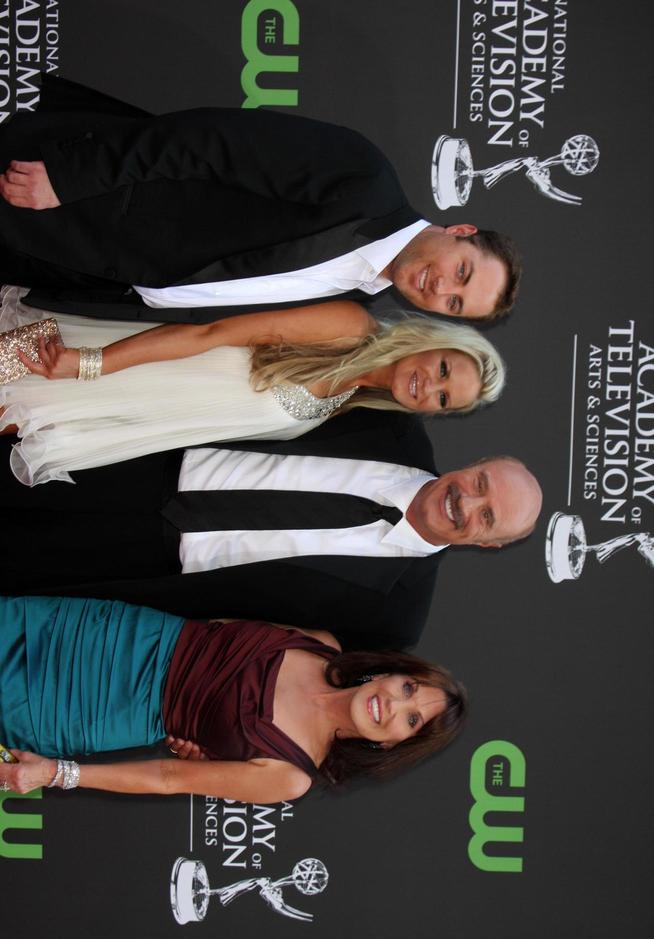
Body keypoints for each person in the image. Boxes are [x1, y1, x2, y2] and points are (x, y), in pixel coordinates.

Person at [0, 76, 522, 327]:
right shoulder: (365, 179)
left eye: (454, 304)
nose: (442, 289)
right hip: (73, 201)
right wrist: (73, 177)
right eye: (462, 274)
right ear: (460, 231)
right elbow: (210, 140)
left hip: (82, 277)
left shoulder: (356, 301)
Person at [0, 409, 543, 648]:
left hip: (151, 574)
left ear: (488, 542)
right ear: (474, 464)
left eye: (487, 516)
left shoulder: (396, 619)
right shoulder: (391, 423)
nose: (466, 501)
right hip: (139, 462)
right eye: (480, 482)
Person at [0, 285, 506, 485]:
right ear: (430, 341)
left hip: (113, 413)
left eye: (444, 397)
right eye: (443, 368)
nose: (429, 385)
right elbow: (211, 332)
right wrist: (92, 364)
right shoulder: (348, 326)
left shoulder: (347, 401)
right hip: (111, 365)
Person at [0, 595, 467, 803]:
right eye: (408, 689)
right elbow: (217, 629)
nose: (394, 704)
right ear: (391, 672)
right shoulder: (319, 643)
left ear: (391, 746)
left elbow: (168, 777)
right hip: (108, 630)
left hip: (97, 709)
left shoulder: (291, 777)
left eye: (410, 721)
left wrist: (55, 773)